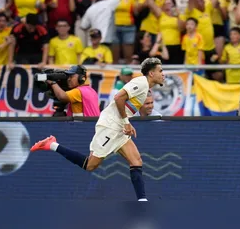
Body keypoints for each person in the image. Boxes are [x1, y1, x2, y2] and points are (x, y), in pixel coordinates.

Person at [30, 58, 165, 201]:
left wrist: (126, 123)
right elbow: (118, 98)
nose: (163, 74)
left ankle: (142, 201)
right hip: (110, 126)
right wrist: (126, 122)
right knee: (90, 165)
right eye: (160, 71)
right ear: (151, 73)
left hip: (118, 126)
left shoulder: (144, 86)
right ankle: (51, 144)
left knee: (136, 160)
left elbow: (123, 104)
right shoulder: (141, 82)